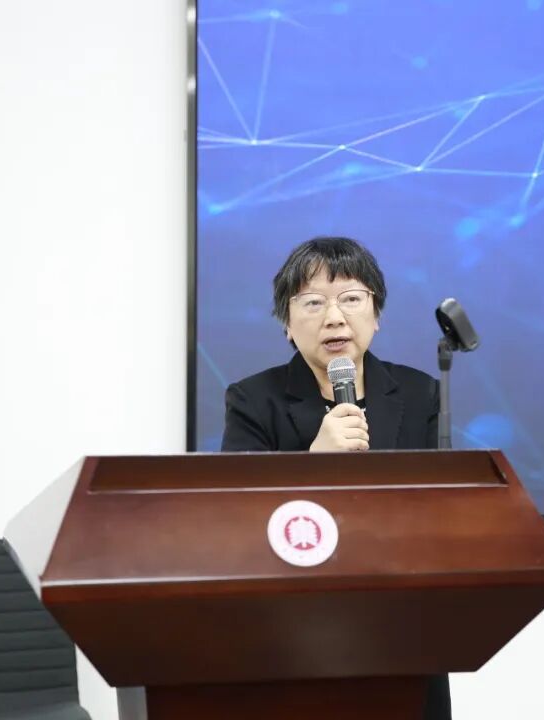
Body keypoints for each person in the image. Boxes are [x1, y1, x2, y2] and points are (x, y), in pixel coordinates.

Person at [221, 236, 451, 720]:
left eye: (350, 298)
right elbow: (236, 519)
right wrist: (313, 461)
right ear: (287, 324)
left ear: (376, 313)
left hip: (402, 622)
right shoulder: (252, 400)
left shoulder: (421, 393)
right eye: (312, 302)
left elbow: (438, 509)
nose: (334, 317)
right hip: (295, 627)